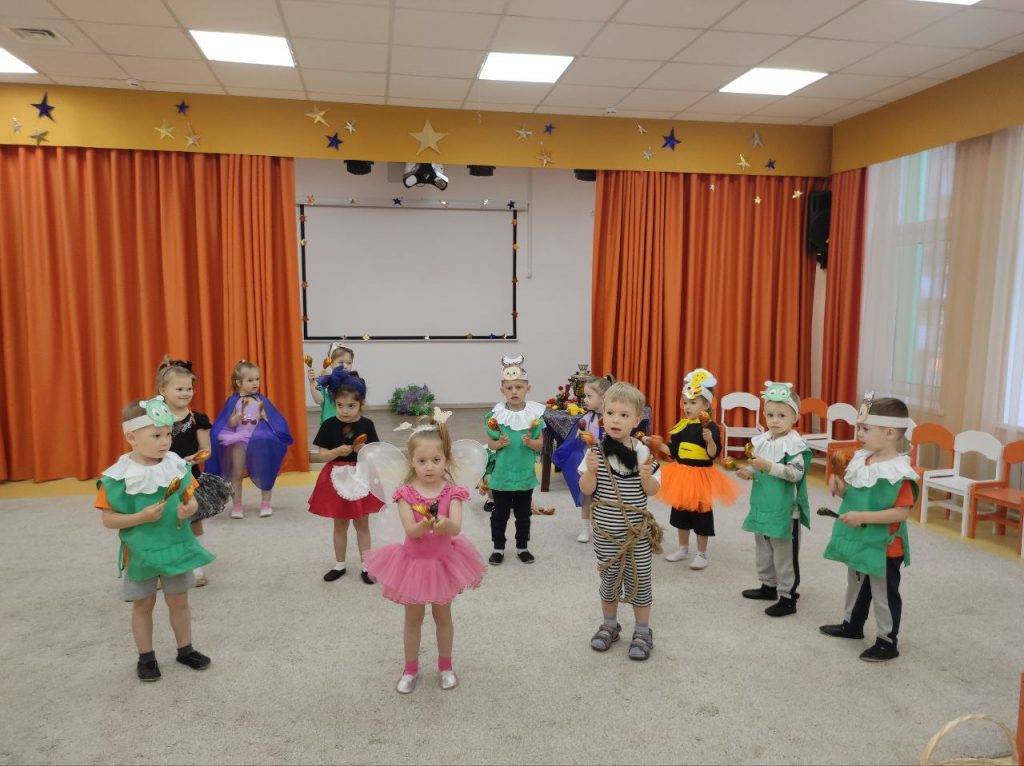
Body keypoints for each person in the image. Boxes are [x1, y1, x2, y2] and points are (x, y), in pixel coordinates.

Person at [362, 412, 486, 693]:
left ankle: (446, 666)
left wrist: (444, 524)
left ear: (446, 459)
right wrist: (425, 525)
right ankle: (410, 669)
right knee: (413, 619)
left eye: (436, 460)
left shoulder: (453, 492)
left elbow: (456, 527)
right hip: (414, 564)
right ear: (411, 461)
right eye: (422, 461)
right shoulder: (405, 493)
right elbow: (411, 530)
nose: (429, 467)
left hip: (444, 563)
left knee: (444, 617)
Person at [94, 396, 214, 681]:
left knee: (179, 601)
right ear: (131, 437)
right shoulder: (118, 477)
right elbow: (109, 519)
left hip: (176, 546)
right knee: (143, 604)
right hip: (142, 552)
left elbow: (191, 499)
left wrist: (189, 508)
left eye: (168, 434)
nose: (165, 442)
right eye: (156, 436)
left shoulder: (176, 466)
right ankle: (146, 657)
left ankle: (185, 649)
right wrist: (140, 517)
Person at [820, 393, 918, 662]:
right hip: (860, 538)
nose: (859, 434)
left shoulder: (899, 472)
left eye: (865, 429)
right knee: (856, 584)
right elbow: (856, 495)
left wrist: (862, 516)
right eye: (859, 428)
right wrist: (841, 490)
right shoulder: (863, 460)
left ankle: (887, 641)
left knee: (883, 593)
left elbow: (901, 513)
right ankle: (852, 624)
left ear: (889, 433)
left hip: (884, 545)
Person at [579, 382, 662, 661]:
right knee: (609, 580)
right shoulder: (595, 453)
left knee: (640, 580)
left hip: (636, 534)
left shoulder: (644, 453)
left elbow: (653, 491)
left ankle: (642, 630)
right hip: (606, 534)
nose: (615, 420)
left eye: (624, 415)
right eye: (610, 413)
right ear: (603, 416)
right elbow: (587, 490)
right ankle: (610, 625)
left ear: (637, 420)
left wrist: (647, 479)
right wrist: (590, 472)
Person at [650, 368, 739, 570]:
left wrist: (710, 441)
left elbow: (713, 454)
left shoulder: (710, 427)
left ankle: (702, 553)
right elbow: (674, 452)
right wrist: (657, 444)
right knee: (680, 512)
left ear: (706, 405)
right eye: (685, 402)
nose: (687, 407)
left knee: (701, 514)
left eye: (693, 402)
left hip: (700, 475)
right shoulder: (681, 426)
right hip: (681, 473)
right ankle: (683, 548)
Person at [737, 381, 812, 617]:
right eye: (770, 415)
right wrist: (750, 471)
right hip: (763, 504)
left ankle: (788, 596)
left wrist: (768, 466)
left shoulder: (795, 445)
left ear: (795, 418)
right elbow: (760, 467)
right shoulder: (764, 440)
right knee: (763, 547)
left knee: (784, 553)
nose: (775, 420)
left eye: (781, 415)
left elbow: (795, 474)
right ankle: (768, 585)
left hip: (785, 510)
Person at [156, 357, 231, 587]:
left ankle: (196, 567)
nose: (185, 393)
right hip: (161, 479)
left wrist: (194, 458)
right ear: (163, 391)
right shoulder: (155, 417)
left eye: (189, 389)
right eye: (179, 389)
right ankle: (161, 567)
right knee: (163, 521)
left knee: (193, 520)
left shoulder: (198, 419)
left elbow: (206, 450)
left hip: (189, 478)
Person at [308, 367, 382, 584]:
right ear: (334, 403)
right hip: (336, 477)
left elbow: (375, 452)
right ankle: (339, 564)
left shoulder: (367, 425)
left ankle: (367, 566)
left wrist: (363, 450)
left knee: (362, 524)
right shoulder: (329, 425)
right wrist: (336, 452)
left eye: (351, 406)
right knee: (339, 525)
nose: (345, 411)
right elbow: (321, 455)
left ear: (361, 404)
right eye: (340, 405)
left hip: (361, 476)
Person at [206, 359, 292, 519]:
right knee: (237, 473)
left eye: (257, 379)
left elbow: (271, 419)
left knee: (265, 470)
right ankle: (237, 505)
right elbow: (229, 423)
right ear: (239, 383)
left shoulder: (261, 400)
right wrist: (237, 417)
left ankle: (266, 503)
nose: (255, 383)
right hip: (239, 440)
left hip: (258, 441)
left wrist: (264, 416)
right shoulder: (234, 401)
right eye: (250, 380)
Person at [484, 355, 545, 565]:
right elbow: (490, 444)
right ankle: (498, 547)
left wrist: (531, 442)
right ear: (502, 390)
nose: (514, 391)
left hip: (524, 476)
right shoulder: (496, 416)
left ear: (528, 388)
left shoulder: (534, 416)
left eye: (519, 387)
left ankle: (522, 547)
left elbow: (540, 444)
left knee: (523, 515)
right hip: (502, 476)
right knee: (499, 515)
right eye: (509, 388)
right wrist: (498, 443)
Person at [552, 374, 615, 543]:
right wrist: (582, 438)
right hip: (590, 464)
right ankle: (585, 528)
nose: (585, 400)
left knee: (608, 497)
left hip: (608, 465)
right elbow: (576, 440)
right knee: (587, 495)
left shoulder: (612, 419)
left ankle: (606, 527)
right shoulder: (586, 419)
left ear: (604, 397)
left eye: (589, 396)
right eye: (585, 396)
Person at [307, 342, 355, 423]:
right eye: (341, 362)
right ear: (331, 363)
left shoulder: (353, 382)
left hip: (348, 424)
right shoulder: (325, 381)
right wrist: (312, 383)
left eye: (349, 363)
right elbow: (319, 400)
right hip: (328, 425)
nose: (345, 366)